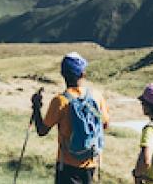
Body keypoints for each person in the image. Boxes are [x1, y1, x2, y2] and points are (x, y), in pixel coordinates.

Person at [31, 52, 111, 184]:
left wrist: (36, 108)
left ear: (63, 74)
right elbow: (105, 124)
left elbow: (42, 130)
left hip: (67, 165)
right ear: (83, 74)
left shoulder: (60, 101)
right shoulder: (96, 96)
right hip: (90, 163)